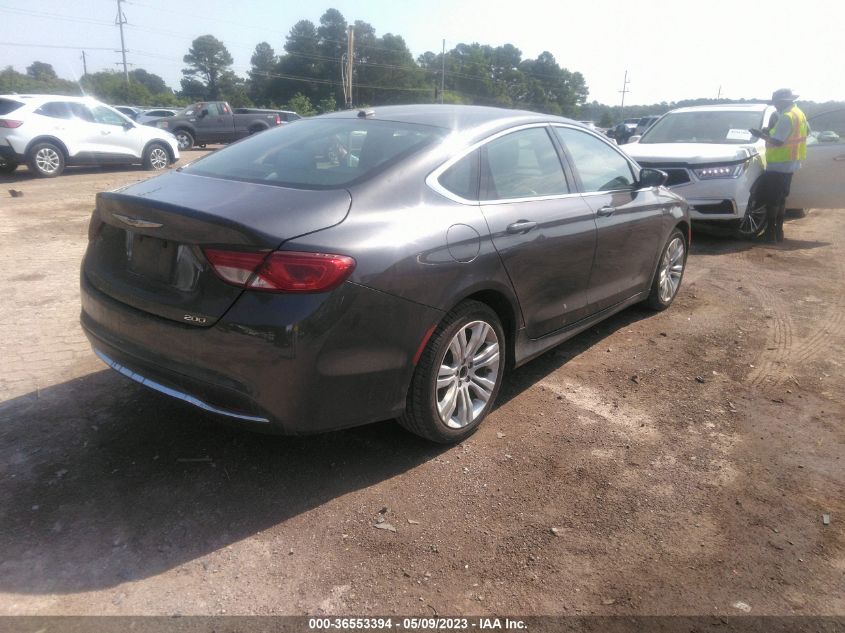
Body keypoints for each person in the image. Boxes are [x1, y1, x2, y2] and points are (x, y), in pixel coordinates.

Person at [749, 88, 809, 242]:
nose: (775, 106)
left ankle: (770, 234)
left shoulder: (786, 117)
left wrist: (761, 135)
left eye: (776, 103)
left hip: (779, 164)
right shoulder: (799, 113)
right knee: (781, 198)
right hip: (791, 163)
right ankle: (779, 232)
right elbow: (807, 132)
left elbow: (778, 141)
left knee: (772, 199)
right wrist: (770, 131)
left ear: (783, 102)